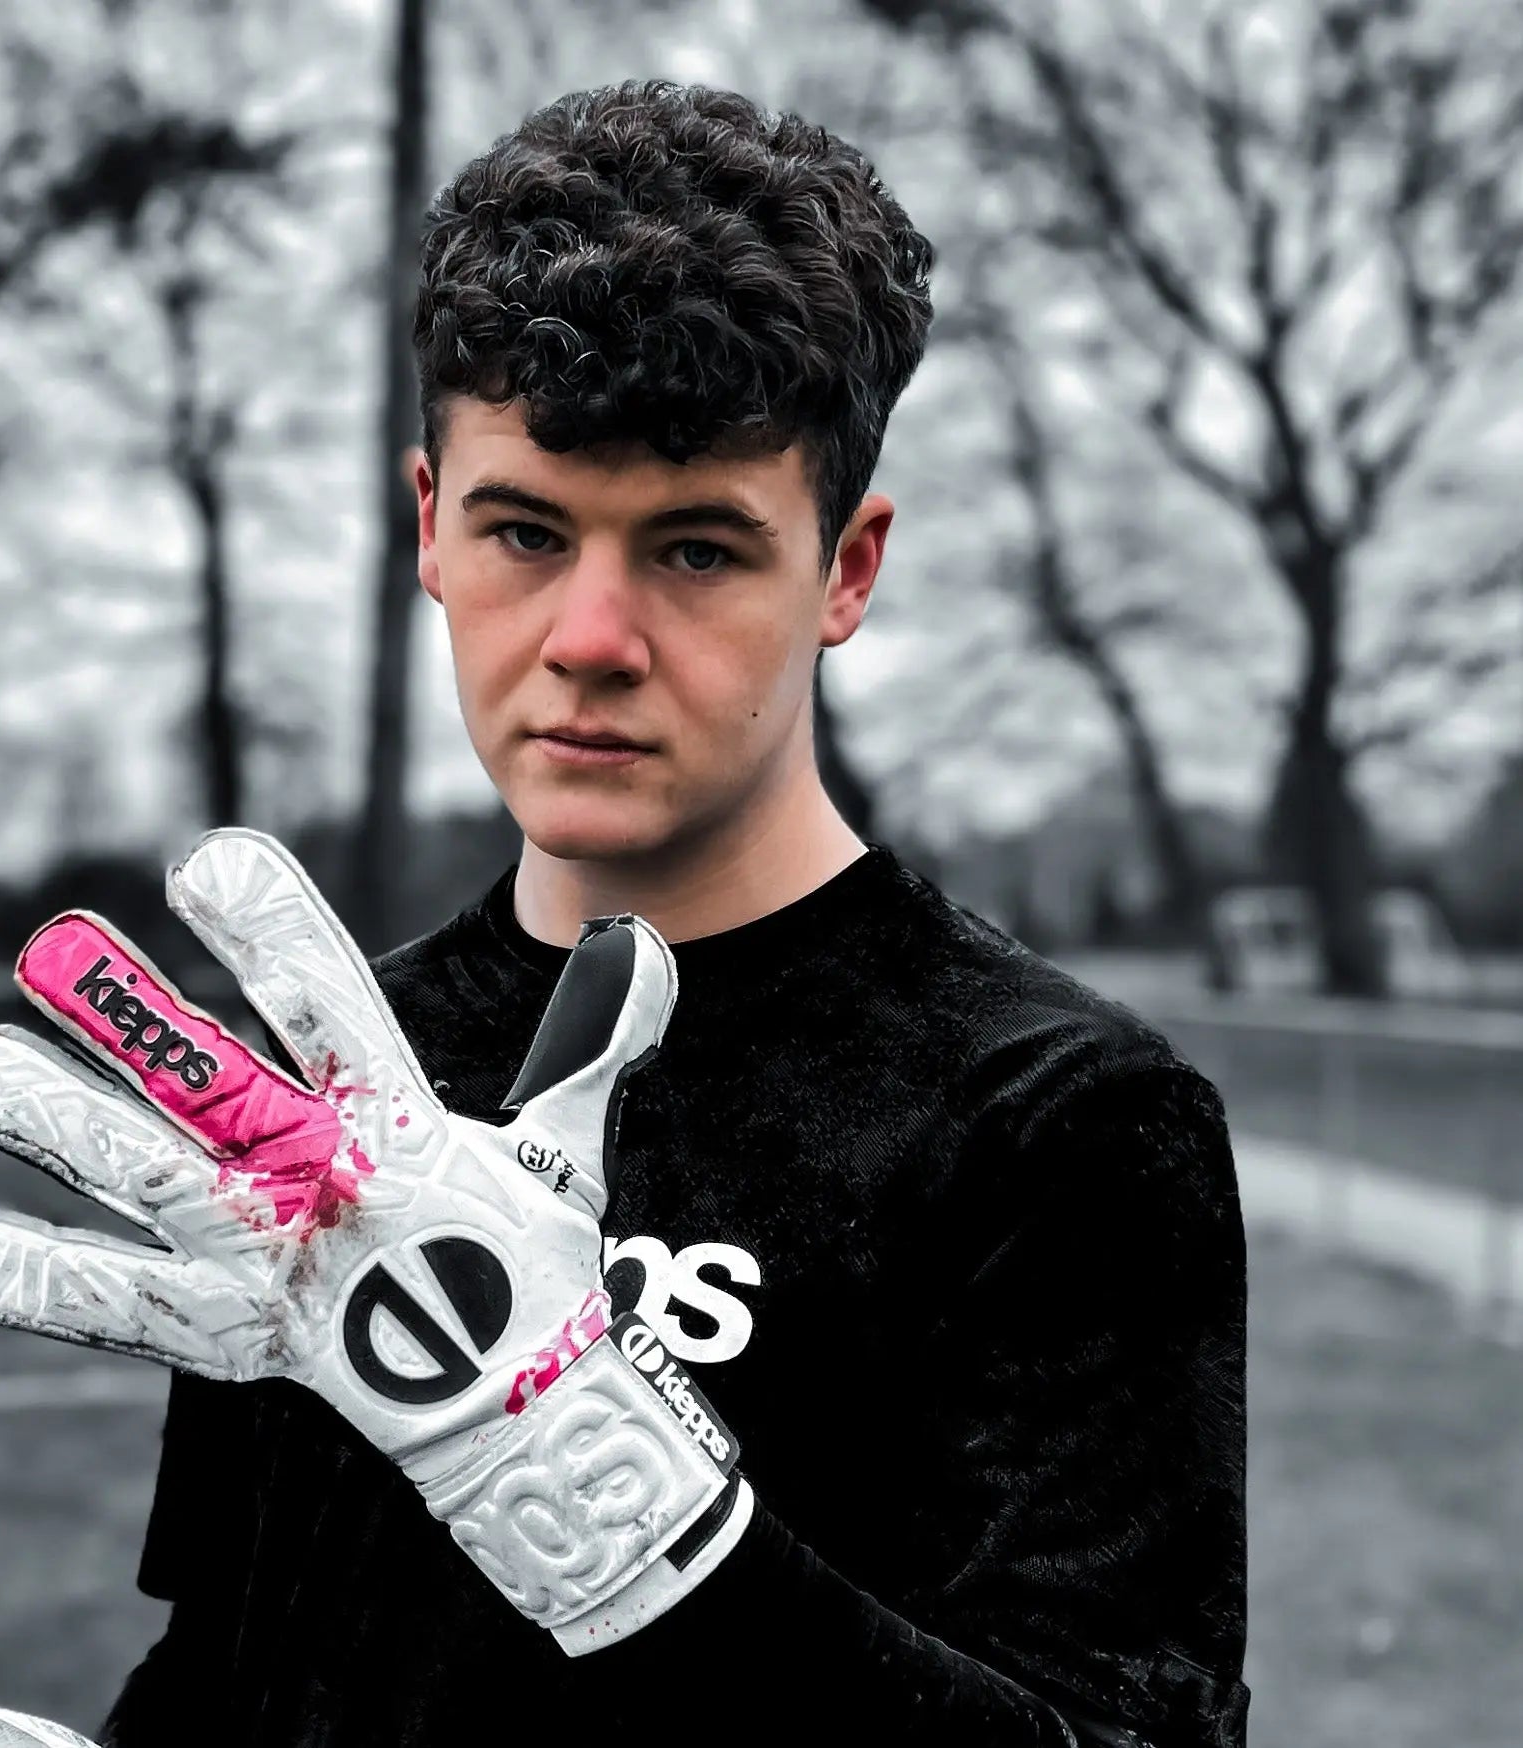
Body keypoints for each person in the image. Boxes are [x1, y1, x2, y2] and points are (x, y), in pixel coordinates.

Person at [97, 80, 1250, 1746]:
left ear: (846, 569)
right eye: (524, 531)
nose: (590, 636)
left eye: (697, 551)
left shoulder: (1066, 1125)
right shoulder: (339, 1069)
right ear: (430, 523)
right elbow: (240, 1659)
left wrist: (618, 1507)